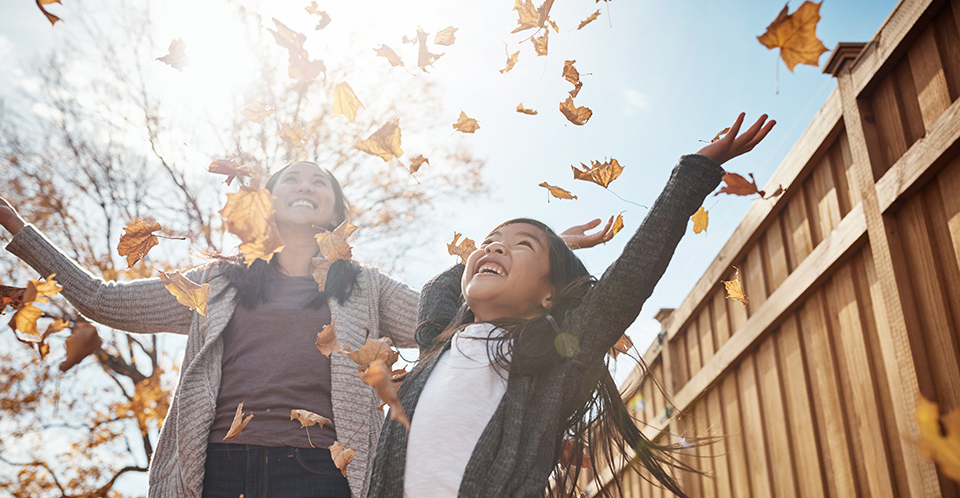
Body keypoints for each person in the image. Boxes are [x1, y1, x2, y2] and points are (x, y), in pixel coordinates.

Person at [0, 160, 613, 498]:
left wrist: (548, 254)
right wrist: (20, 230)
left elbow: (454, 315)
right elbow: (103, 300)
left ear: (336, 213)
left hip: (325, 475)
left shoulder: (366, 288)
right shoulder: (215, 281)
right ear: (268, 204)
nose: (305, 185)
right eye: (291, 178)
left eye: (321, 181)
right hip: (215, 466)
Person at [366, 113, 776, 498]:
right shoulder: (438, 343)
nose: (494, 246)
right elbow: (439, 287)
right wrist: (549, 246)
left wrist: (691, 177)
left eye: (521, 245)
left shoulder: (552, 364)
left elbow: (629, 280)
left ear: (549, 296)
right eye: (491, 241)